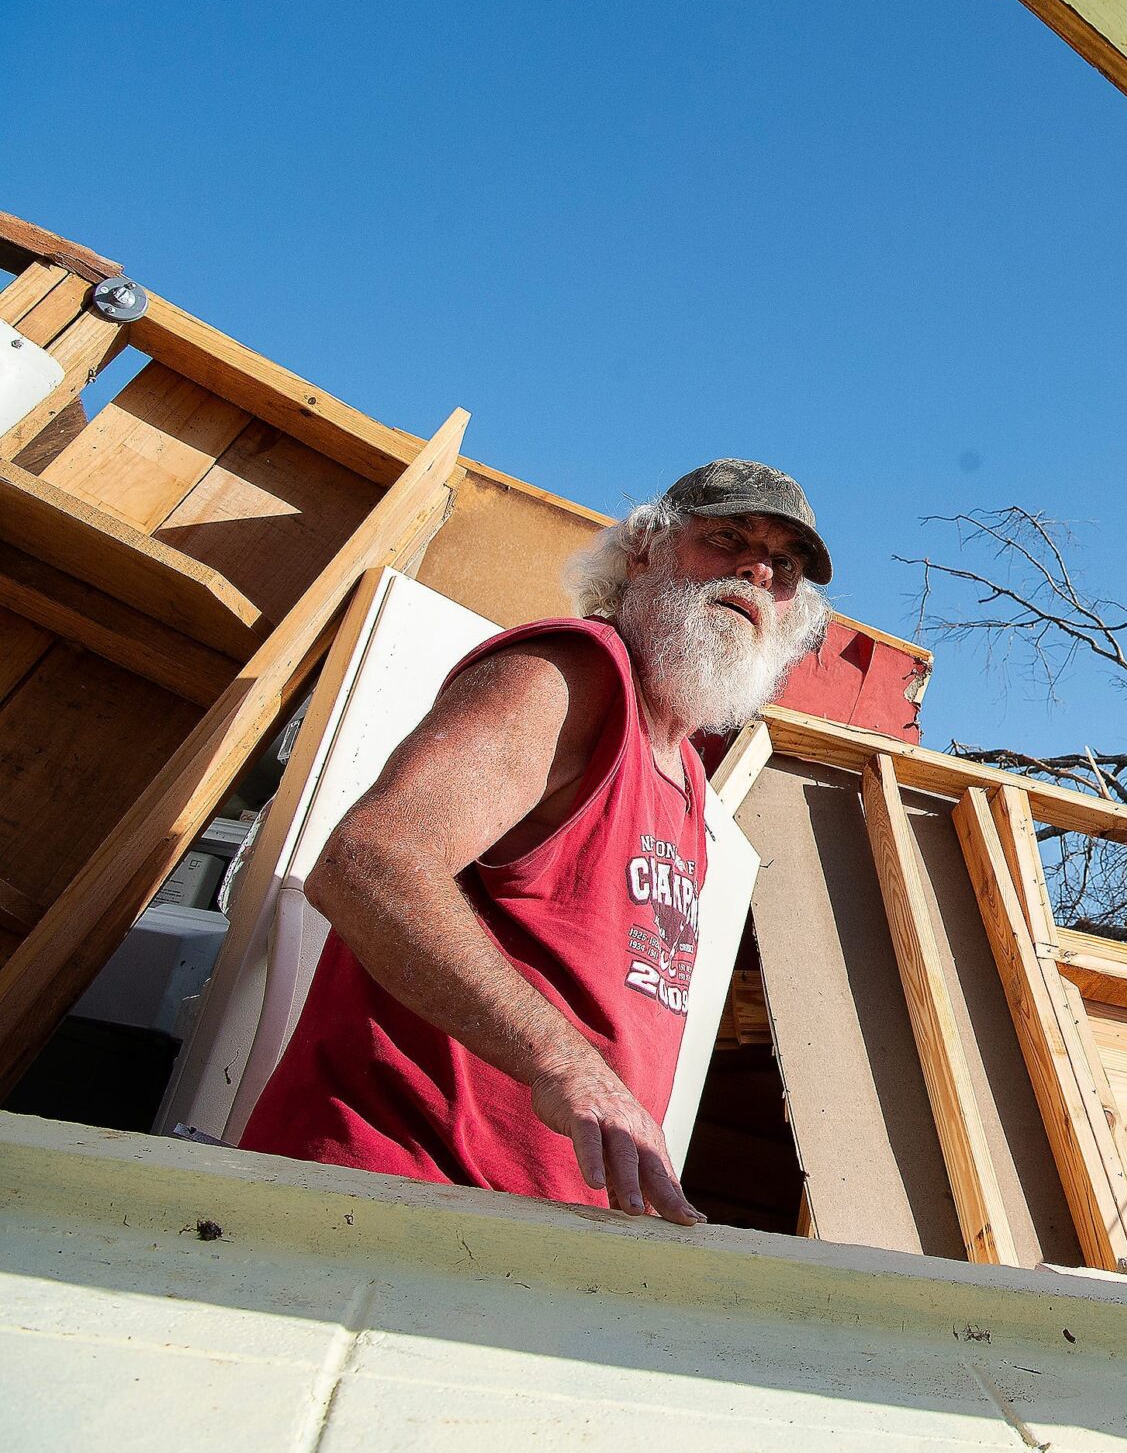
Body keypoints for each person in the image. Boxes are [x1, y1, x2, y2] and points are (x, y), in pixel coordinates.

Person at [240, 460, 834, 1223]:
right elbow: (369, 862)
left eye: (783, 566)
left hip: (524, 1234)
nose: (757, 569)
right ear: (644, 548)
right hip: (386, 1196)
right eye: (727, 538)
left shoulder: (686, 777)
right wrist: (564, 1065)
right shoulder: (572, 673)